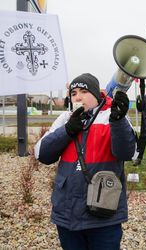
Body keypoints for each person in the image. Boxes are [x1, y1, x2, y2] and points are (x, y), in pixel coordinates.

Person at [34, 73, 136, 250]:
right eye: (73, 93)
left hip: (103, 215)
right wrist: (67, 130)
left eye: (83, 91)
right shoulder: (66, 118)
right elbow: (41, 154)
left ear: (97, 96)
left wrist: (118, 121)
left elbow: (128, 153)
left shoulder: (112, 116)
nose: (78, 97)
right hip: (67, 214)